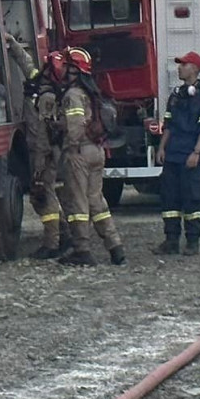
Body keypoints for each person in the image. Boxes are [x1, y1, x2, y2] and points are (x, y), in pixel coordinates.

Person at [56, 47, 126, 266]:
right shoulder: (91, 93)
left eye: (66, 67)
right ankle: (115, 247)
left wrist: (71, 146)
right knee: (97, 201)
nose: (63, 71)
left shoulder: (73, 95)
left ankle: (82, 250)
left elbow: (75, 125)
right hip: (97, 151)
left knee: (77, 203)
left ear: (74, 70)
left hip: (80, 152)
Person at [3, 36, 70, 259]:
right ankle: (64, 234)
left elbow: (44, 134)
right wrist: (11, 43)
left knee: (43, 194)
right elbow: (27, 64)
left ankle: (52, 244)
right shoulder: (39, 84)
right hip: (40, 151)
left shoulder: (47, 97)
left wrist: (40, 165)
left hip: (45, 153)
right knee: (44, 194)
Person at [156, 51, 200, 256]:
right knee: (169, 199)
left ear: (195, 69)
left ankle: (192, 241)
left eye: (184, 64)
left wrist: (196, 153)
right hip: (173, 155)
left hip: (190, 155)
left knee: (192, 199)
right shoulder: (176, 96)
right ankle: (171, 240)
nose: (179, 67)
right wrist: (162, 147)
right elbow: (169, 125)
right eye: (180, 64)